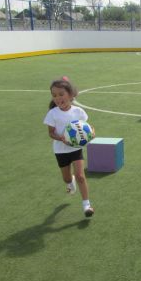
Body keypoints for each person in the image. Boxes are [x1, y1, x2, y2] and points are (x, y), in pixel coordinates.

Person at [43, 77, 95, 217]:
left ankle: (87, 205)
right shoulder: (52, 113)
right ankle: (70, 182)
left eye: (61, 94)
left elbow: (87, 127)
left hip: (76, 149)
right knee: (66, 178)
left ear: (70, 95)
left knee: (80, 176)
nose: (57, 98)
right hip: (60, 151)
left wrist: (92, 132)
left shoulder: (78, 111)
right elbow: (51, 133)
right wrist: (61, 138)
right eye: (54, 95)